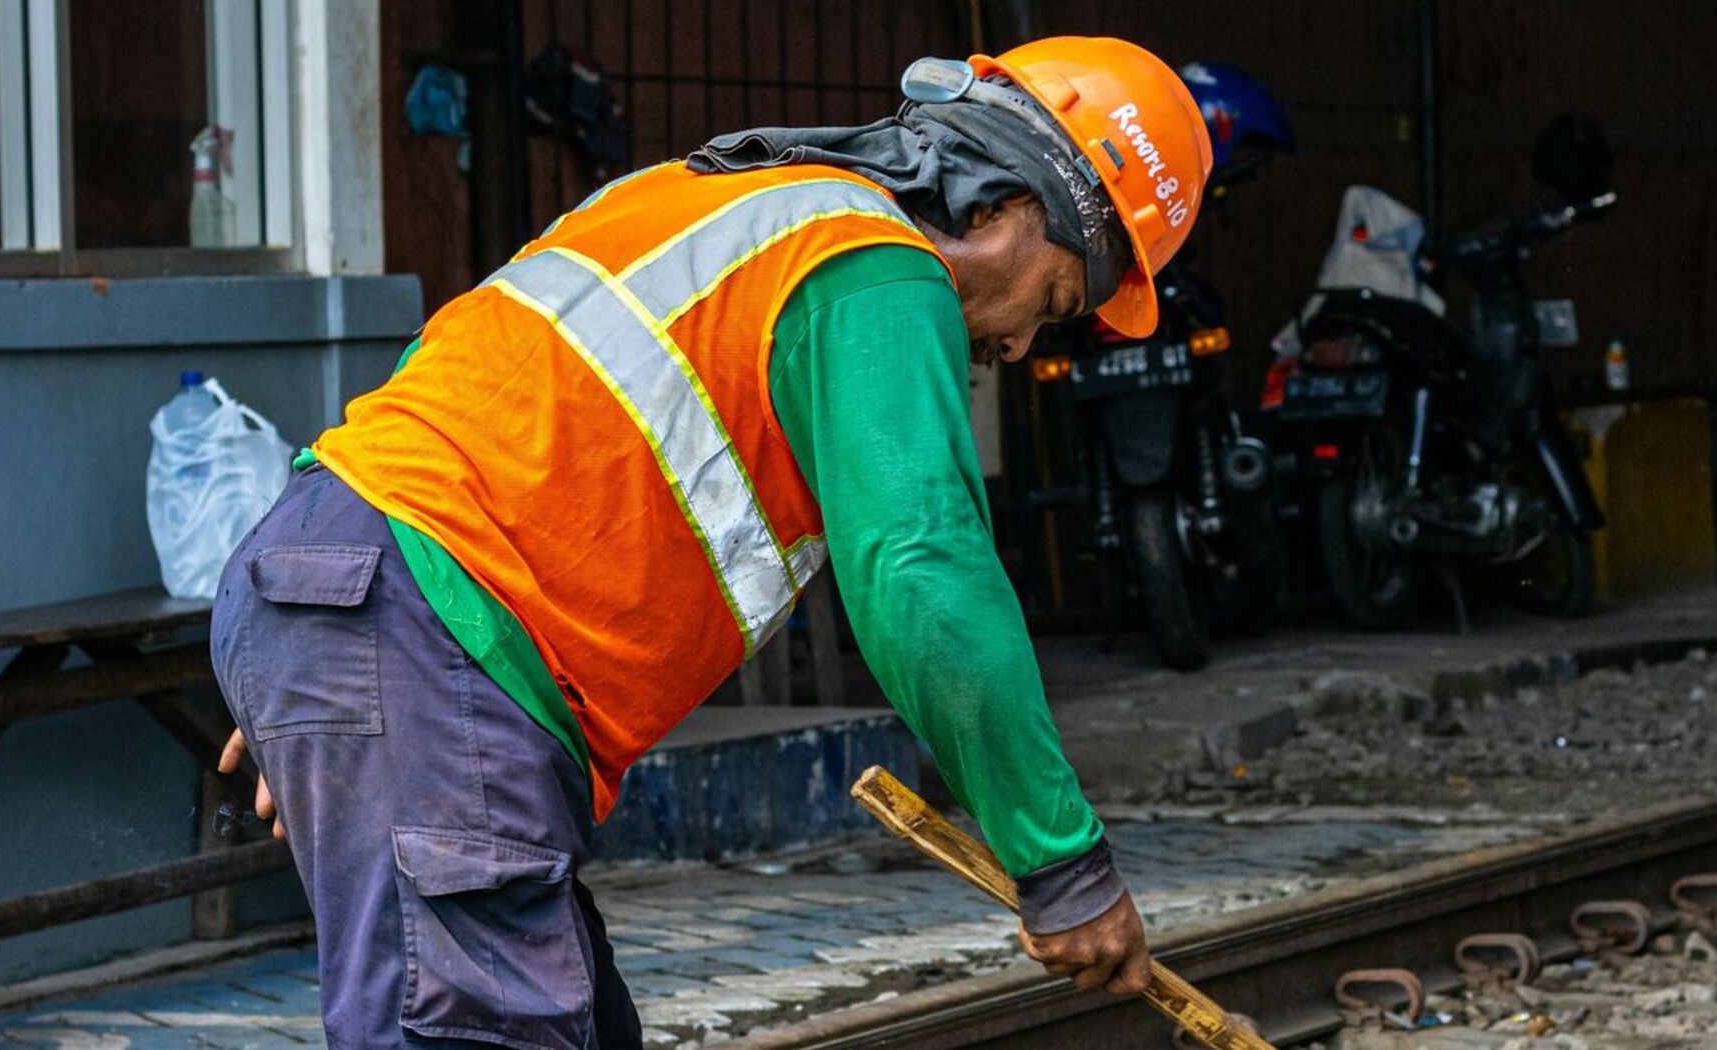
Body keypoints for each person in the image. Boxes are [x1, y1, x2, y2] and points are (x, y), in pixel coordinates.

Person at [211, 36, 1211, 1049]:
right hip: (424, 623)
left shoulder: (692, 194)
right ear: (1003, 204)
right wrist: (1063, 866)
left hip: (348, 576)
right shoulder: (873, 267)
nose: (1017, 346)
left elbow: (458, 378)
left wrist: (329, 676)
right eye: (1051, 300)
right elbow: (924, 571)